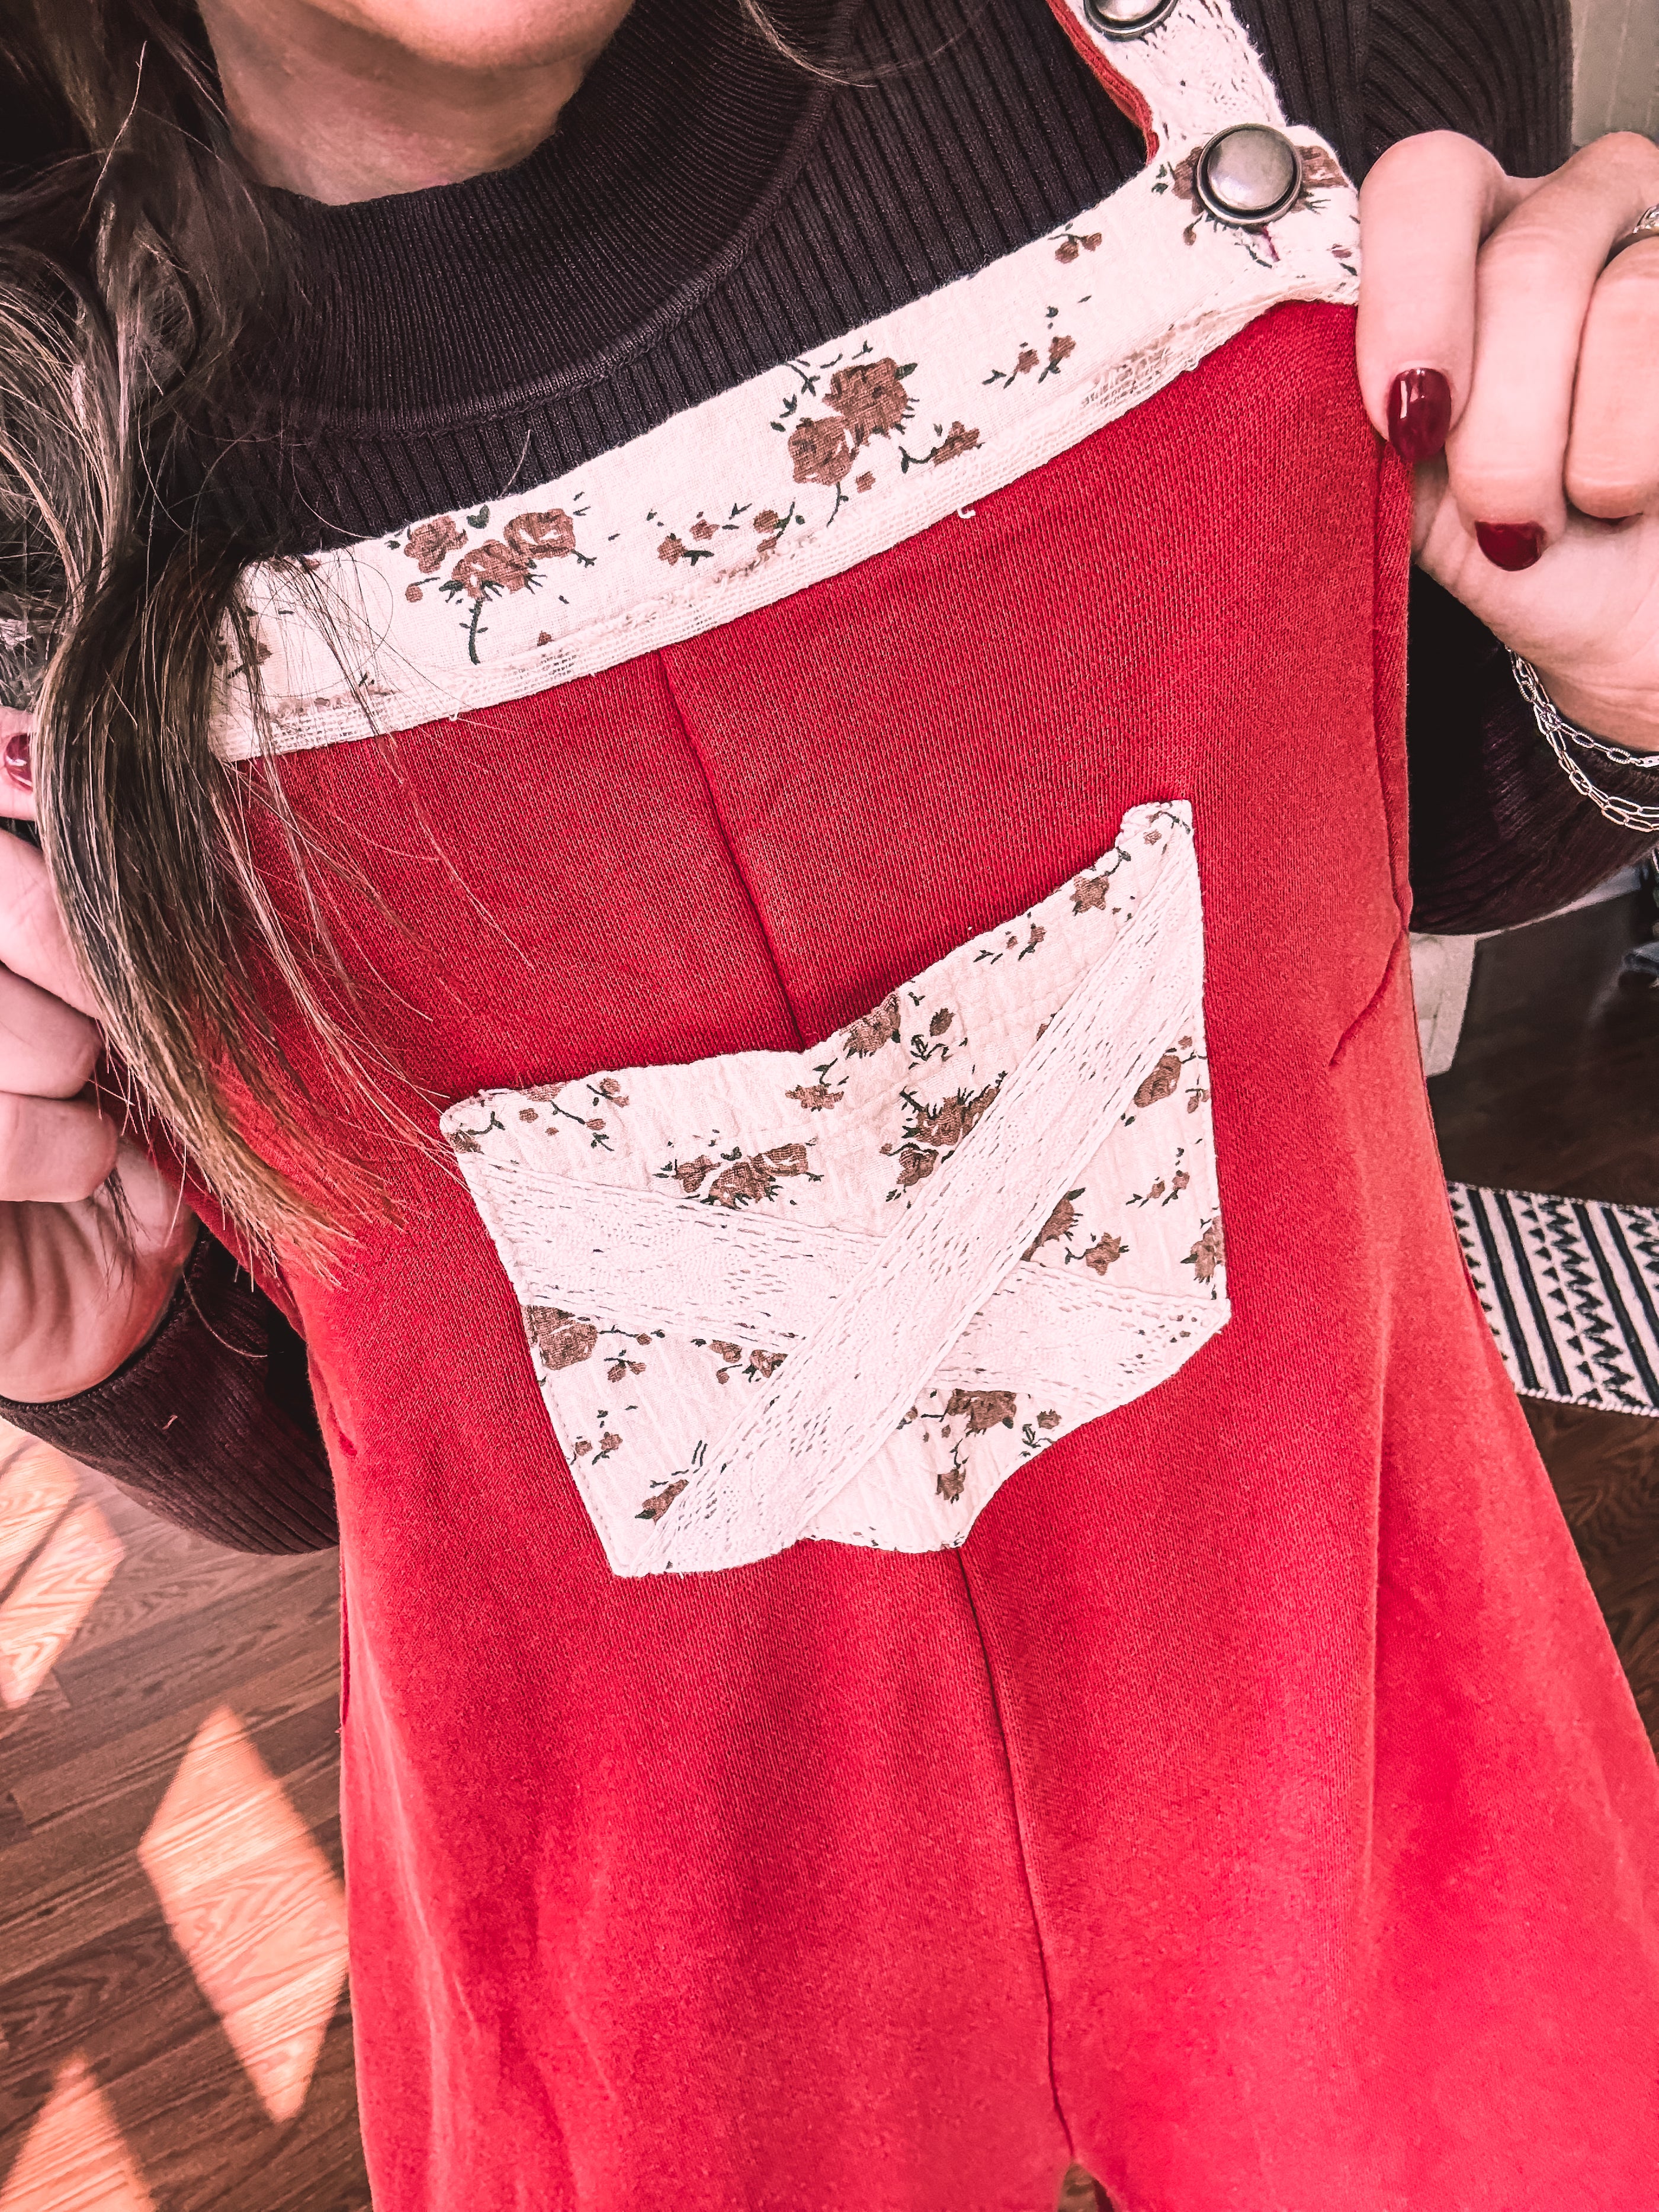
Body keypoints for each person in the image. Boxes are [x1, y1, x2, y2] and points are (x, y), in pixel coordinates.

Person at [2, 0, 1657, 2201]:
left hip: (1353, 1706)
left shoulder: (1288, 40)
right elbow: (375, 1421)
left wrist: (1617, 659)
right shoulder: (33, 458)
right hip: (648, 1934)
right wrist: (92, 1314)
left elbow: (1404, 812)